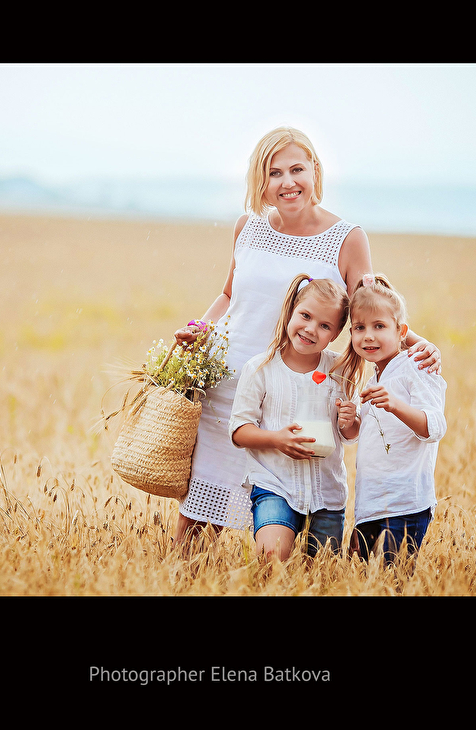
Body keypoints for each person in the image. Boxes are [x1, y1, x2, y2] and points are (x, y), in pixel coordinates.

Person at [172, 127, 441, 544]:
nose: (288, 182)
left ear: (315, 169)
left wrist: (416, 343)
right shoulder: (247, 227)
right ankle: (180, 576)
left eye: (297, 169)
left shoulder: (347, 238)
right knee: (201, 508)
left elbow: (369, 308)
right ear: (260, 180)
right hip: (229, 380)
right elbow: (228, 294)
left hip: (297, 392)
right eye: (274, 172)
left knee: (286, 501)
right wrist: (198, 330)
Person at [229, 274, 360, 561]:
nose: (311, 329)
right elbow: (239, 430)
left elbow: (350, 434)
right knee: (272, 556)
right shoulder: (260, 368)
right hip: (275, 483)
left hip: (326, 492)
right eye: (305, 316)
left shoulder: (339, 370)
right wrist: (276, 439)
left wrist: (350, 421)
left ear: (336, 333)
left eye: (324, 325)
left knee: (322, 570)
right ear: (291, 311)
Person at [336, 273, 447, 564]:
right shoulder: (374, 377)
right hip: (370, 504)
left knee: (393, 577)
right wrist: (350, 422)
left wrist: (395, 405)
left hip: (405, 504)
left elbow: (435, 427)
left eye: (379, 326)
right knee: (359, 578)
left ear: (401, 332)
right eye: (359, 327)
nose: (368, 336)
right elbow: (368, 434)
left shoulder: (416, 366)